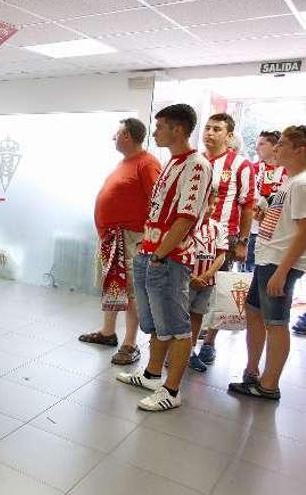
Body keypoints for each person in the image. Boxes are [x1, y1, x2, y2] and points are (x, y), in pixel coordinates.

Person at [116, 103, 212, 412]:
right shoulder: (172, 162)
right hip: (150, 252)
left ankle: (171, 391)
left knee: (177, 325)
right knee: (156, 322)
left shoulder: (197, 165)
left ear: (179, 129)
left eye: (160, 127)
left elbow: (185, 217)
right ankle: (152, 374)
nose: (154, 132)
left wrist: (160, 253)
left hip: (168, 258)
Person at [229, 125, 306, 400]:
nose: (276, 148)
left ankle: (269, 384)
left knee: (276, 321)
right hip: (267, 258)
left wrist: (282, 272)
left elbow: (304, 233)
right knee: (254, 311)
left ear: (300, 149)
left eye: (283, 144)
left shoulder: (301, 183)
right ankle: (254, 371)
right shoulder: (291, 181)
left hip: (279, 263)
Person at [79, 118, 161, 366]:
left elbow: (156, 202)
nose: (113, 138)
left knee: (131, 291)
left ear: (127, 136)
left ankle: (130, 343)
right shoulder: (125, 162)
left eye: (116, 133)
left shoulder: (147, 163)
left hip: (132, 238)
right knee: (113, 286)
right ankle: (107, 332)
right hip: (113, 237)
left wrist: (147, 238)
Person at [194, 114, 255, 368]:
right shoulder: (195, 161)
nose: (210, 133)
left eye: (216, 129)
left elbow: (248, 205)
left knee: (215, 292)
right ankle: (183, 345)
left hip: (225, 238)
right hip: (194, 235)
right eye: (207, 128)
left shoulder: (241, 165)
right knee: (190, 291)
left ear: (229, 136)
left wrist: (242, 242)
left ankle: (208, 342)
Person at [188, 189, 227, 372]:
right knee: (180, 316)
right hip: (186, 281)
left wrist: (207, 275)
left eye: (214, 204)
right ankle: (171, 351)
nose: (211, 208)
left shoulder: (217, 227)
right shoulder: (187, 226)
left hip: (206, 283)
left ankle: (190, 351)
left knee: (197, 315)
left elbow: (221, 255)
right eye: (208, 204)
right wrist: (191, 277)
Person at [245, 131, 286, 272]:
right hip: (252, 230)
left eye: (262, 144)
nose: (257, 148)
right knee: (247, 273)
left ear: (275, 146)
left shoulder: (287, 171)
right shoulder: (252, 168)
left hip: (277, 234)